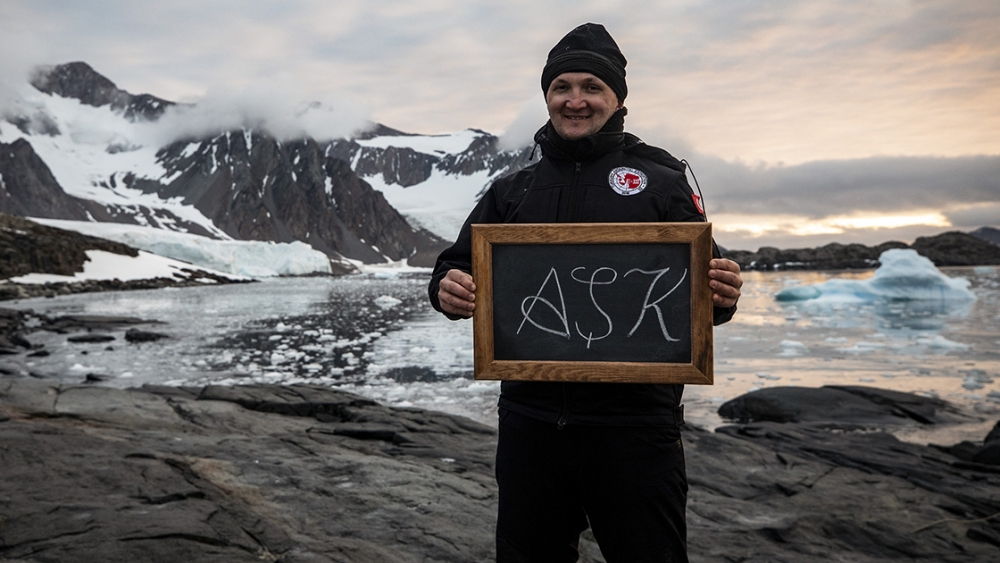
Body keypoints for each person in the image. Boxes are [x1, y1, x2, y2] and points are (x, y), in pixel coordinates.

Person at [428, 23, 743, 563]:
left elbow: (700, 289)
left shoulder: (662, 180)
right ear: (547, 96)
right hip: (531, 424)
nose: (575, 100)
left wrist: (722, 296)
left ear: (617, 98)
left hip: (636, 428)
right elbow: (457, 267)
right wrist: (446, 291)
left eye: (591, 87)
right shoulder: (513, 189)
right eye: (562, 87)